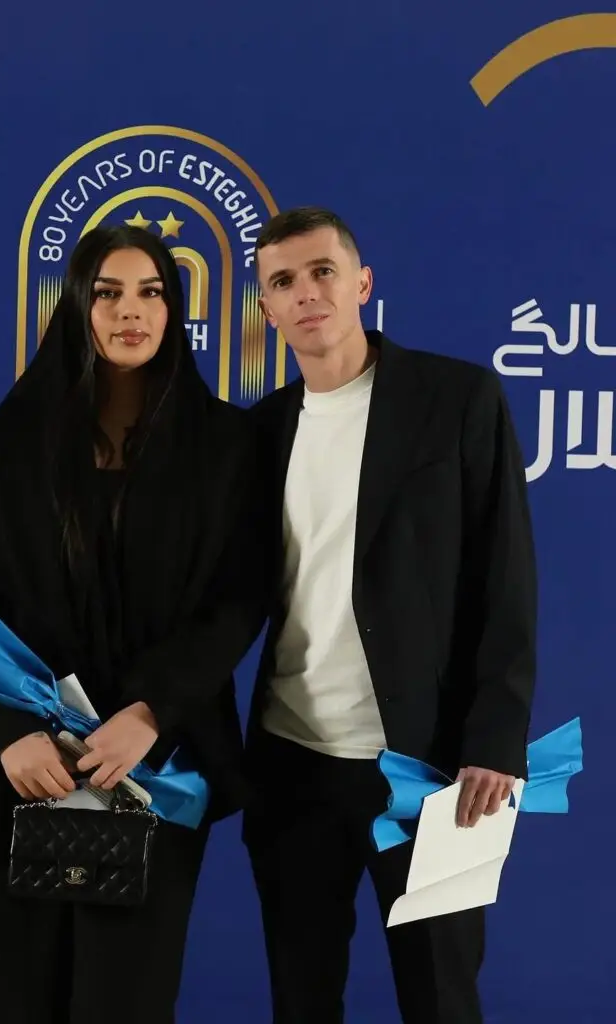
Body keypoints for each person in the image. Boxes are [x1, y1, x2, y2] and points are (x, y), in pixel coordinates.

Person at [0, 224, 269, 1024]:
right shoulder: (8, 441)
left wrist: (150, 714)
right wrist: (12, 732)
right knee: (23, 1001)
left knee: (126, 1003)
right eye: (108, 293)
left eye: (151, 292)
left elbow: (238, 600)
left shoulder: (226, 444)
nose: (131, 311)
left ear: (174, 309)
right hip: (23, 771)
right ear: (78, 308)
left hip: (154, 769)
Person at [243, 207, 537, 1024]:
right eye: (284, 282)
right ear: (267, 309)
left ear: (362, 283)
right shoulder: (259, 432)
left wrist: (493, 742)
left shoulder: (457, 399)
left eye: (323, 272)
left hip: (431, 767)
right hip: (293, 766)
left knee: (441, 999)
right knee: (302, 1000)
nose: (307, 293)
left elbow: (506, 579)